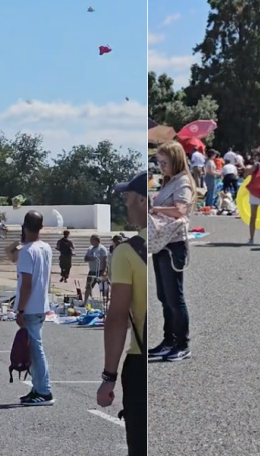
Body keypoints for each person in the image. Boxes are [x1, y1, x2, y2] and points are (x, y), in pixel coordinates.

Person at [99, 172, 149, 456]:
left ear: (143, 200)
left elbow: (118, 316)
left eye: (128, 198)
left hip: (140, 361)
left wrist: (108, 376)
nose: (125, 204)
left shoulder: (127, 252)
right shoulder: (175, 240)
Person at [146, 141, 192, 362]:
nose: (161, 166)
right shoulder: (169, 181)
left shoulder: (182, 182)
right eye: (158, 162)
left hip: (173, 244)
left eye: (164, 162)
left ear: (175, 160)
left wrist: (155, 208)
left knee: (175, 296)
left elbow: (180, 210)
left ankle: (182, 343)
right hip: (162, 243)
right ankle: (169, 339)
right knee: (164, 296)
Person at [14, 210, 53, 406]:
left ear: (25, 227)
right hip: (41, 304)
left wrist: (20, 310)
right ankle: (37, 388)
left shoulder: (27, 252)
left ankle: (44, 390)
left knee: (36, 350)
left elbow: (26, 284)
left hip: (30, 307)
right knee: (33, 348)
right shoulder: (45, 247)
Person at [83, 235, 109, 303]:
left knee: (103, 288)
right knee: (88, 287)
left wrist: (103, 272)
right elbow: (85, 258)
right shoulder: (90, 248)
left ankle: (105, 302)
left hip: (100, 271)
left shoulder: (102, 249)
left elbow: (105, 261)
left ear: (96, 240)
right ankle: (85, 301)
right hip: (92, 271)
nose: (90, 242)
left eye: (92, 240)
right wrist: (91, 258)